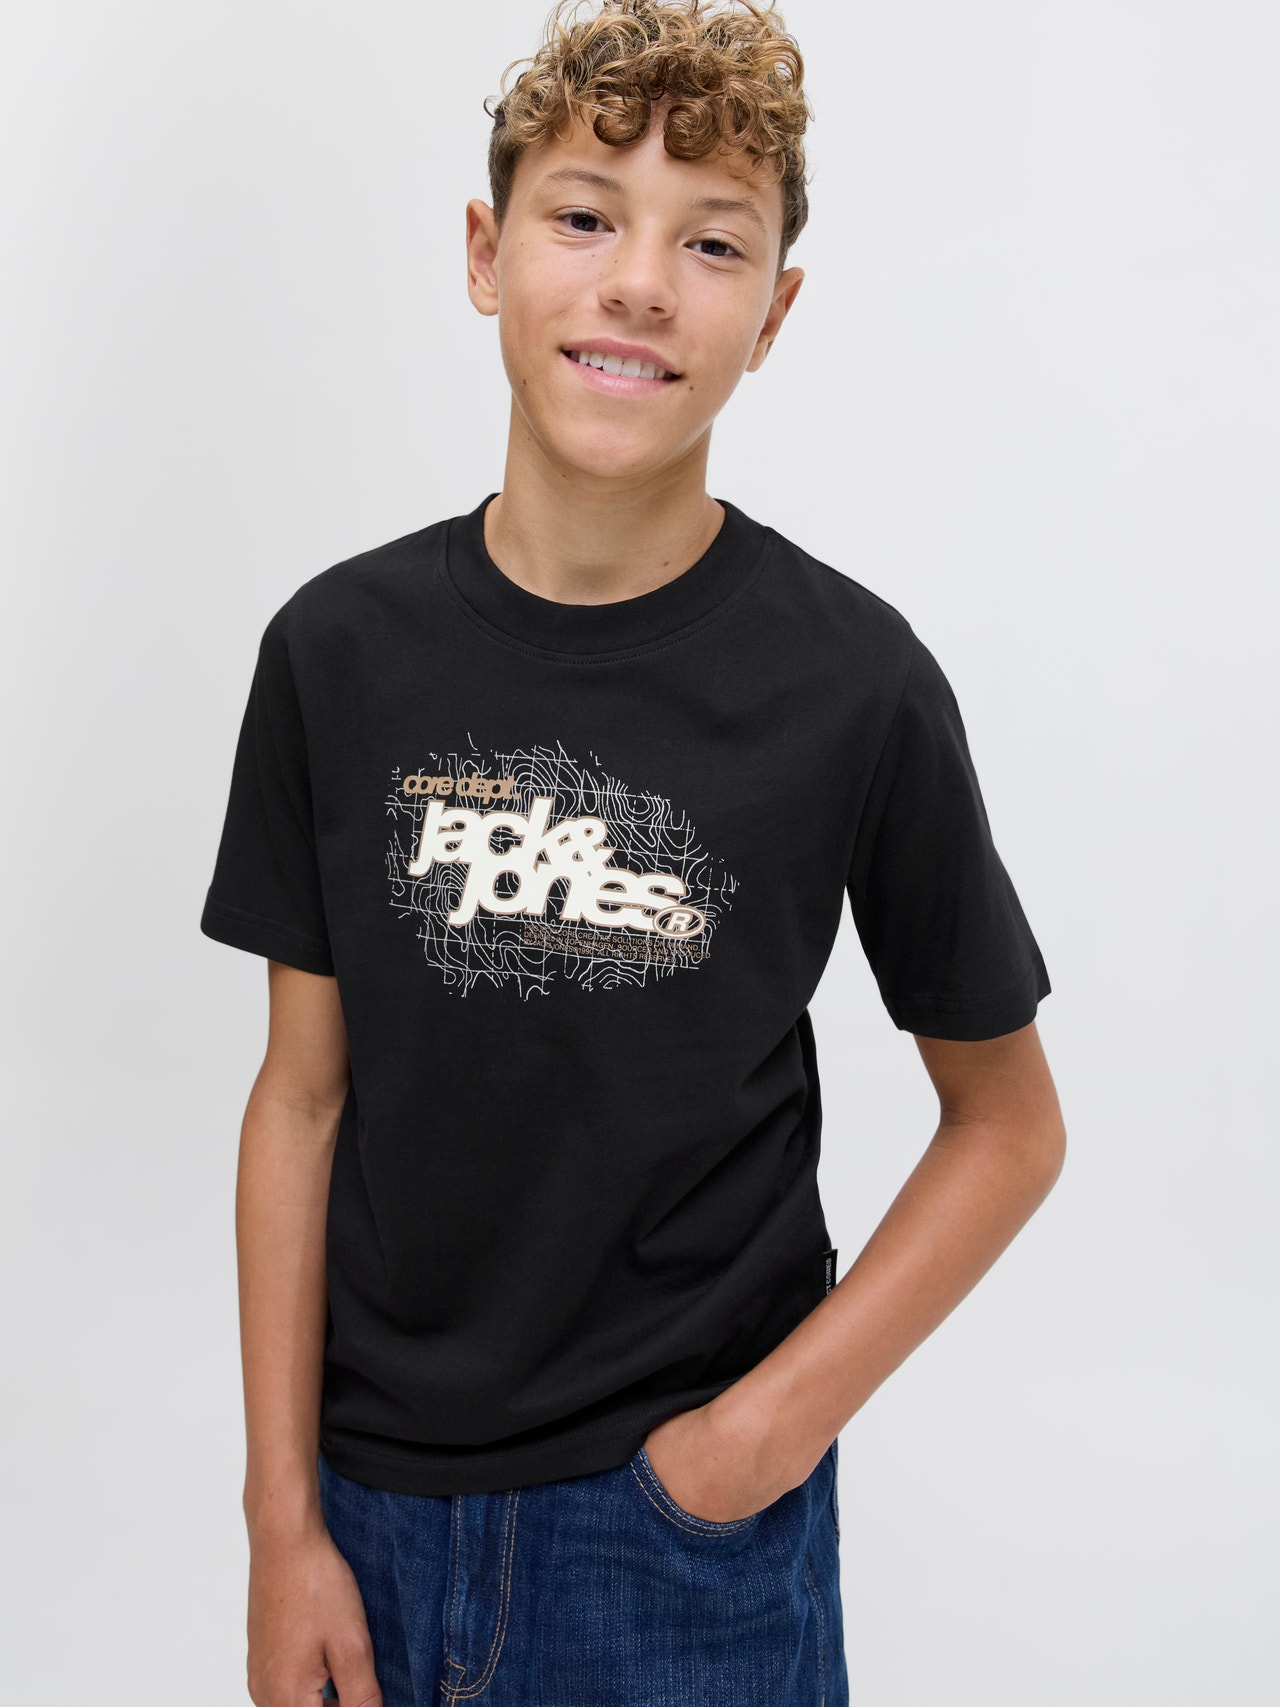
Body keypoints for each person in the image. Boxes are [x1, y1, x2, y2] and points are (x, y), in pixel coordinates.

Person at [200, 2, 1066, 1702]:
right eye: (585, 216)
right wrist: (280, 1523)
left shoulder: (853, 685)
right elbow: (300, 1098)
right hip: (367, 1517)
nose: (641, 283)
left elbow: (1009, 1126)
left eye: (713, 242)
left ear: (775, 314)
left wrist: (754, 1444)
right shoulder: (337, 653)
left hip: (681, 1548)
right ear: (486, 252)